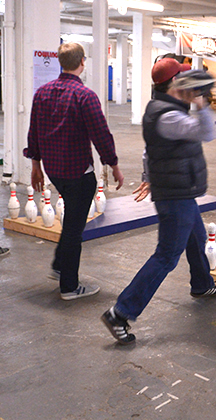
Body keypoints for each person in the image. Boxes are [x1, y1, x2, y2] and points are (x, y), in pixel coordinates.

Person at [101, 58, 216, 345]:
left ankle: (202, 284)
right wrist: (202, 102)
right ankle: (120, 313)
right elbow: (207, 132)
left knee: (197, 237)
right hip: (175, 194)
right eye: (183, 79)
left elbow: (149, 152)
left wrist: (149, 175)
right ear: (173, 85)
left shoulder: (162, 108)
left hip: (179, 188)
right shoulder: (169, 116)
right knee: (167, 256)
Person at [24, 42, 124, 301]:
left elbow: (33, 132)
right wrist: (113, 164)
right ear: (82, 62)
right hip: (79, 173)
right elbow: (100, 134)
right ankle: (69, 286)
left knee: (70, 223)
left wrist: (36, 166)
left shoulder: (42, 93)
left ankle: (59, 265)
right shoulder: (85, 96)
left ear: (60, 62)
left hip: (54, 170)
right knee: (74, 230)